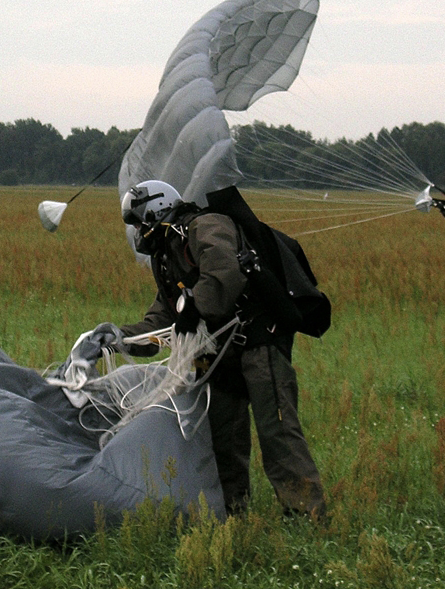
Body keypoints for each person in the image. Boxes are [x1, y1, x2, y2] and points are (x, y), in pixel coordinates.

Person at [71, 180, 329, 521]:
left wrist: (196, 307)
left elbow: (224, 269)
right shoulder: (166, 259)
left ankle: (306, 513)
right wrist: (117, 339)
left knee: (277, 430)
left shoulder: (204, 225)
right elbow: (162, 323)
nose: (138, 231)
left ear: (157, 209)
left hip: (259, 340)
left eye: (139, 222)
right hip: (218, 355)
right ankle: (232, 511)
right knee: (223, 436)